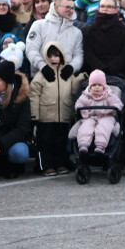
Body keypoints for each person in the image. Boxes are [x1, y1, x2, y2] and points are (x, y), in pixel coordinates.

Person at [29, 42, 83, 176]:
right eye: (50, 56)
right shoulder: (41, 75)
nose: (53, 59)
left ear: (62, 57)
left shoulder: (67, 74)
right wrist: (34, 115)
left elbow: (73, 90)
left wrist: (81, 77)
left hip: (63, 115)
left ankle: (60, 164)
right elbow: (34, 95)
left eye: (57, 56)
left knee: (61, 142)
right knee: (45, 142)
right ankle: (46, 165)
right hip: (45, 117)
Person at [27, 0, 84, 76]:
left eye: (72, 8)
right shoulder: (38, 25)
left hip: (66, 80)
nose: (70, 10)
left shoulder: (77, 32)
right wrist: (43, 66)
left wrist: (71, 68)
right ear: (56, 7)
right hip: (40, 78)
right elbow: (31, 49)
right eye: (67, 7)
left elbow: (79, 55)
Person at [75, 69, 124, 155]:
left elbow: (118, 104)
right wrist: (82, 108)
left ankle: (101, 145)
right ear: (90, 86)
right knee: (86, 126)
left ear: (104, 86)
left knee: (105, 125)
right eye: (94, 85)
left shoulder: (109, 95)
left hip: (106, 116)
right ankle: (83, 144)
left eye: (99, 85)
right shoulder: (86, 95)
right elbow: (79, 103)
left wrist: (112, 109)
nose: (96, 87)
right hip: (90, 117)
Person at [83, 0, 125, 78]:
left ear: (116, 9)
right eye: (102, 6)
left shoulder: (124, 30)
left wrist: (112, 68)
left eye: (109, 7)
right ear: (98, 8)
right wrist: (100, 68)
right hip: (95, 74)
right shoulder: (90, 30)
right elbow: (88, 53)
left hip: (118, 74)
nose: (105, 9)